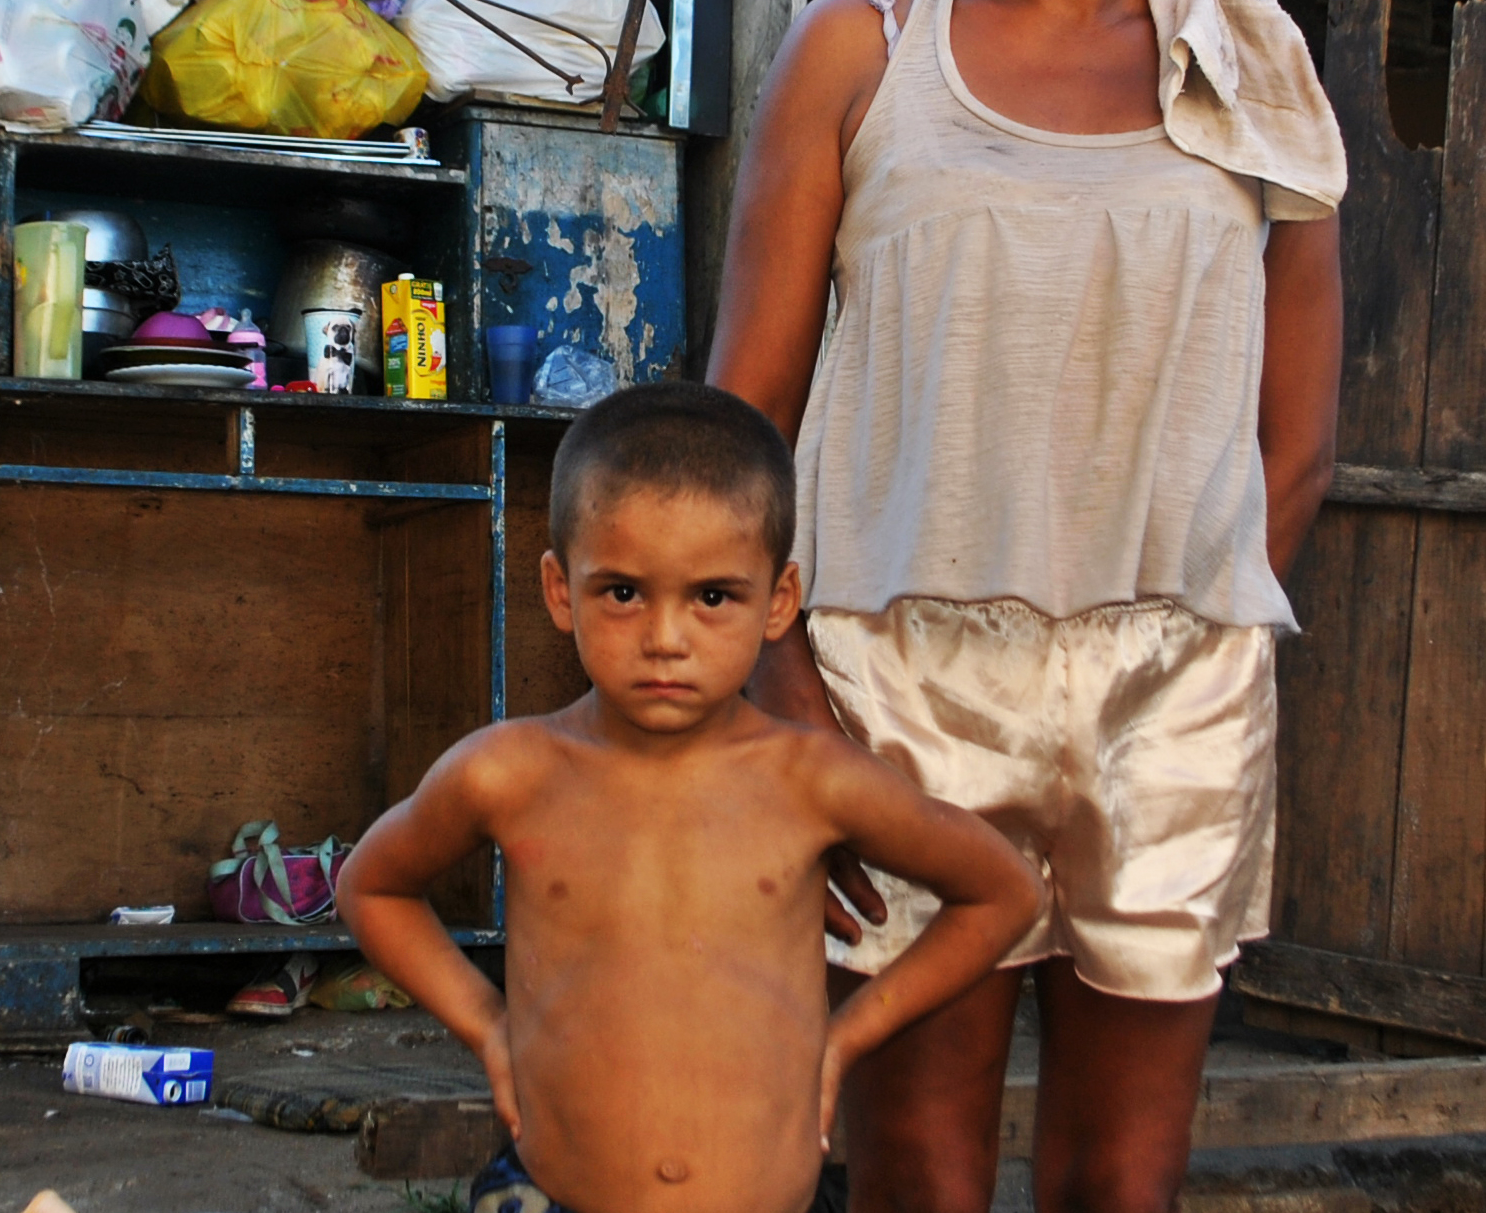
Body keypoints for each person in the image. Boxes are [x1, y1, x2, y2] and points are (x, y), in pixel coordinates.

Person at [709, 0, 1347, 1213]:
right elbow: (740, 421)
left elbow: (1300, 431)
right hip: (895, 682)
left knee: (1122, 1180)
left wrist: (1199, 643)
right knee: (915, 1165)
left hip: (1174, 683)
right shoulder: (859, 52)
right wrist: (786, 695)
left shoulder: (1250, 59)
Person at [340, 381, 1045, 1213]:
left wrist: (844, 1039)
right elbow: (372, 885)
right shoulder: (509, 773)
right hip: (557, 1192)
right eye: (624, 592)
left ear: (778, 602)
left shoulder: (813, 779)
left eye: (713, 597)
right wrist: (489, 1027)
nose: (666, 639)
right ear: (561, 591)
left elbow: (1001, 891)